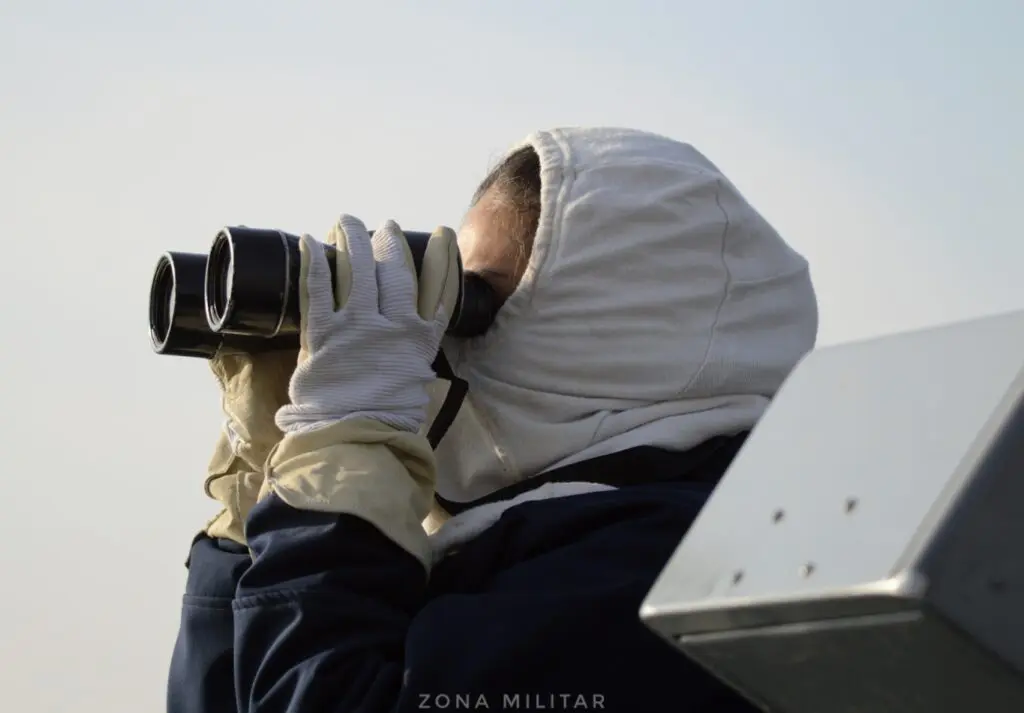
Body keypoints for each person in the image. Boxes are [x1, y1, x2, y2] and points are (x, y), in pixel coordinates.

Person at [167, 127, 818, 713]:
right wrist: (261, 509)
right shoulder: (506, 538)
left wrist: (336, 480)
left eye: (478, 301)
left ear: (617, 331)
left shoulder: (666, 575)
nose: (440, 337)